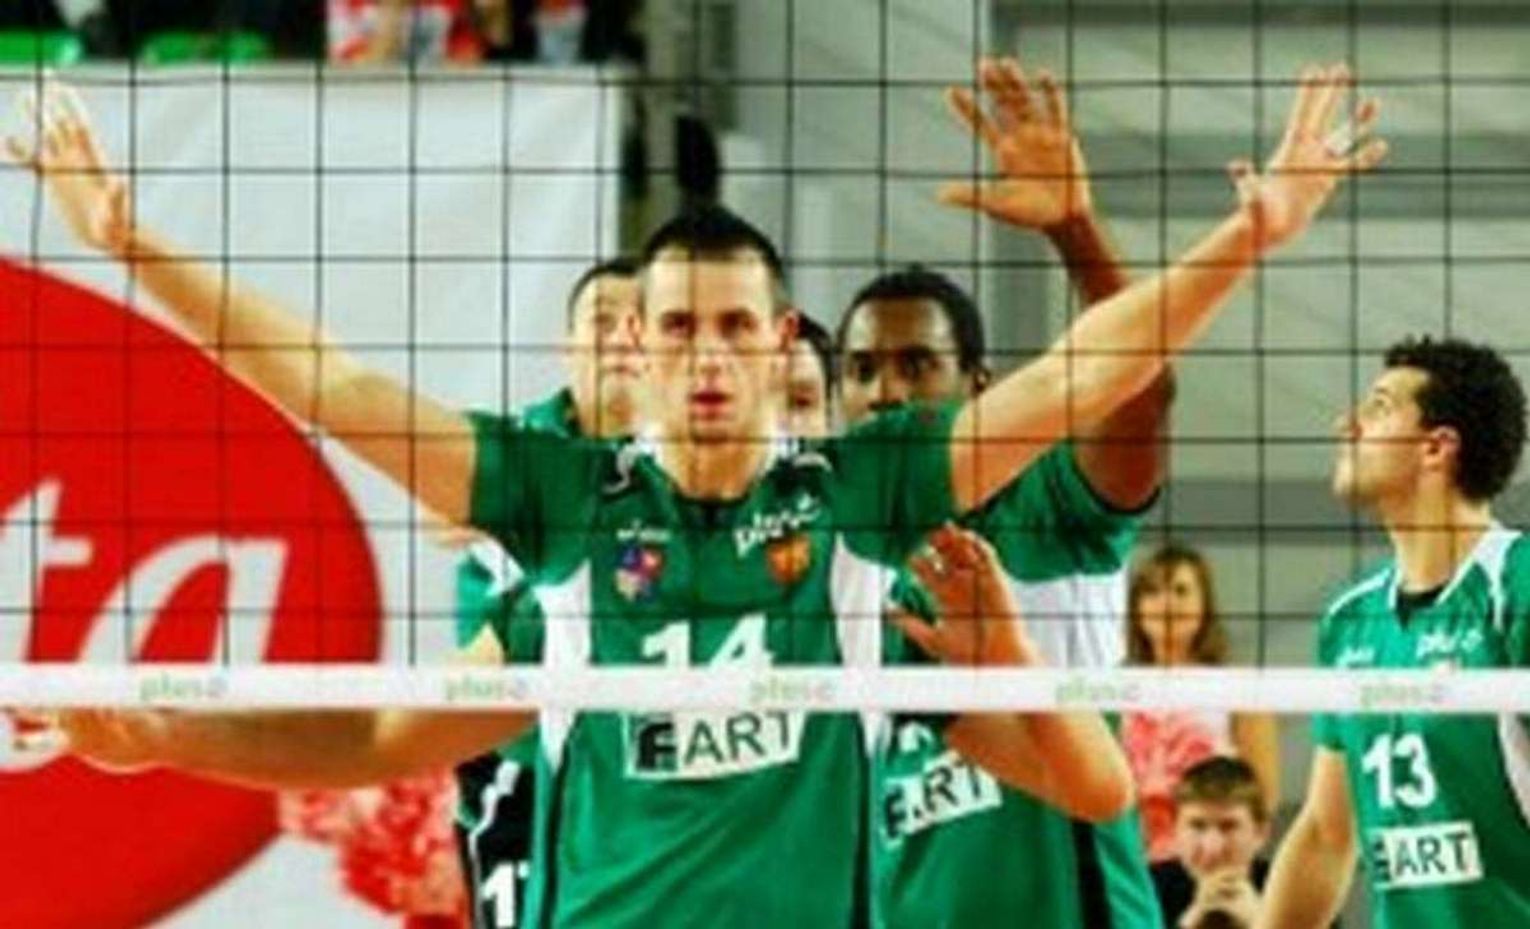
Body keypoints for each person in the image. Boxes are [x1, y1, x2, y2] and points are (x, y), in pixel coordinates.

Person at [12, 60, 1383, 927]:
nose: (708, 356)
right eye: (678, 328)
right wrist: (132, 243)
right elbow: (331, 420)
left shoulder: (862, 502)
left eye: (736, 327)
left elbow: (1087, 373)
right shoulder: (558, 502)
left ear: (783, 344)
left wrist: (1243, 238)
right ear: (637, 347)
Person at [843, 58, 1166, 927]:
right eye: (861, 369)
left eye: (917, 364)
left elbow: (1140, 384)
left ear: (978, 385)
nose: (884, 391)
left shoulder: (1047, 505)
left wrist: (1074, 228)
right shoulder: (837, 557)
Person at [1257, 337, 1530, 929]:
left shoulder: (1516, 587)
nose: (1347, 424)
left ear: (1435, 447)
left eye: (1378, 407)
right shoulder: (1350, 620)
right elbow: (1327, 835)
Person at [448, 257, 641, 929]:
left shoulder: (684, 464)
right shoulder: (524, 448)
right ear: (568, 347)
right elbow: (439, 506)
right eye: (601, 322)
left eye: (636, 322)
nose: (620, 339)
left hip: (630, 771)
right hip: (518, 768)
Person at [1124, 543, 1281, 860]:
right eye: (1152, 591)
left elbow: (1264, 795)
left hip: (1210, 864)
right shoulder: (1115, 690)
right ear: (1136, 607)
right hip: (1136, 865)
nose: (1166, 603)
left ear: (1204, 605)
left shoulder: (1241, 688)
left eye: (1181, 591)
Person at [1152, 757, 1274, 929]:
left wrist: (1263, 923)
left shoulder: (1288, 887)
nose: (1212, 847)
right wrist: (1188, 923)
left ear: (1260, 833)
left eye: (1228, 827)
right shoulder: (1148, 889)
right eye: (1197, 826)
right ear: (1175, 830)